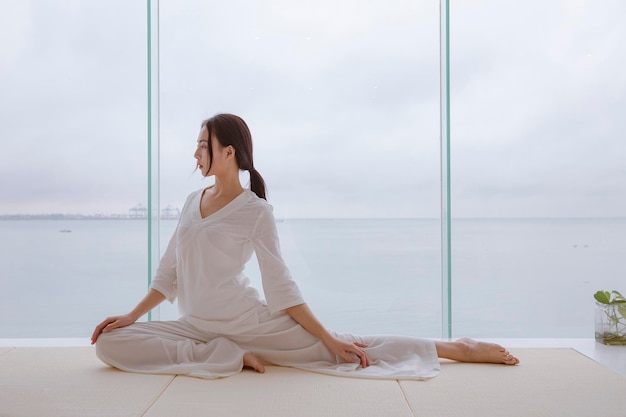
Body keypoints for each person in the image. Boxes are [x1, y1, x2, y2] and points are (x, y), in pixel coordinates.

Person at [91, 113, 519, 380]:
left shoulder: (255, 211)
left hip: (248, 325)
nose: (196, 152)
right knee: (111, 344)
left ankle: (453, 347)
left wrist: (327, 338)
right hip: (195, 328)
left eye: (204, 145)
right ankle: (223, 356)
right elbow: (169, 273)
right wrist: (130, 316)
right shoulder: (190, 202)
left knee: (345, 350)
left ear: (228, 152)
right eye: (198, 144)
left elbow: (282, 287)